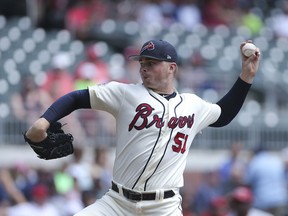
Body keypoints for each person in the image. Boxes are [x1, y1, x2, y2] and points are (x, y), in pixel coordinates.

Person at [24, 39, 260, 215]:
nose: (144, 68)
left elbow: (224, 114)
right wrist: (43, 122)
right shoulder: (126, 93)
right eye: (142, 63)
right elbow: (77, 97)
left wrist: (246, 78)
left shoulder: (193, 105)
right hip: (116, 202)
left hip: (163, 207)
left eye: (152, 63)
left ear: (172, 68)